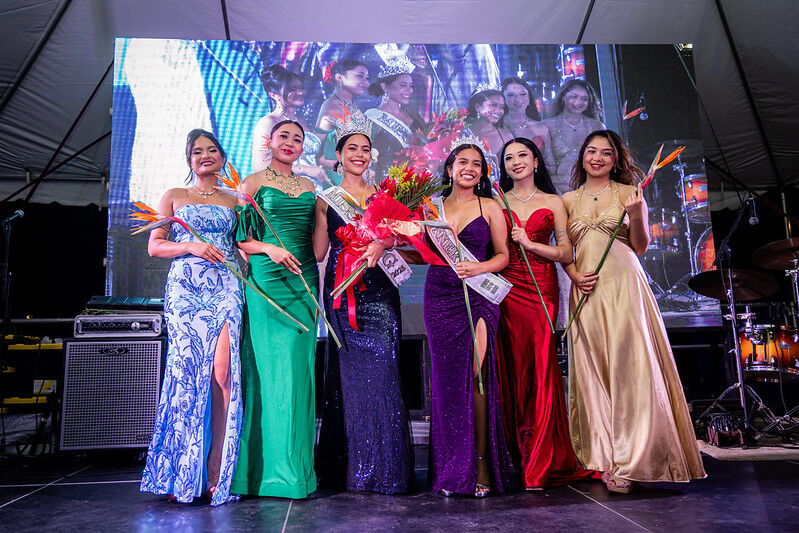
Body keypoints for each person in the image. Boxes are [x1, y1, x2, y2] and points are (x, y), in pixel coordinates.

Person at [562, 130, 706, 493]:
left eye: (606, 153)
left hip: (624, 284)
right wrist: (574, 275)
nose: (597, 158)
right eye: (591, 151)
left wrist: (638, 215)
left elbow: (639, 246)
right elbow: (565, 251)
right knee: (596, 372)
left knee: (631, 368)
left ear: (615, 160)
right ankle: (607, 456)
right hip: (586, 289)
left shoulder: (630, 194)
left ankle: (632, 460)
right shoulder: (566, 200)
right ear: (582, 156)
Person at [140, 129, 243, 506]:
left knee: (223, 371)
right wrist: (192, 246)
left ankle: (218, 466)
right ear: (189, 160)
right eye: (197, 151)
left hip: (227, 286)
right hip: (186, 289)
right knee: (186, 374)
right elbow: (155, 246)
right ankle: (182, 469)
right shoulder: (173, 196)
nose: (205, 156)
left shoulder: (235, 199)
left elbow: (242, 246)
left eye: (211, 150)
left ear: (221, 157)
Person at [494, 138, 596, 490]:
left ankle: (538, 458)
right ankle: (513, 454)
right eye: (508, 158)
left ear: (536, 161)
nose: (516, 161)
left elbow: (566, 253)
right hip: (505, 289)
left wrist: (532, 243)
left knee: (538, 368)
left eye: (522, 155)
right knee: (512, 368)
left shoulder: (553, 202)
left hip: (540, 289)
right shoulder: (496, 200)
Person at [314, 131, 413, 494]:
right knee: (352, 380)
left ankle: (388, 471)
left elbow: (407, 236)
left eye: (365, 150)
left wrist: (383, 240)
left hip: (380, 290)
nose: (359, 154)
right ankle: (358, 470)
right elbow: (319, 252)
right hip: (343, 291)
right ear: (338, 155)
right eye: (351, 149)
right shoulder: (325, 200)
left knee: (385, 373)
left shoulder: (385, 196)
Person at [230, 120, 320, 499]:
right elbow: (240, 239)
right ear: (270, 141)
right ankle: (261, 474)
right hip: (266, 281)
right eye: (284, 136)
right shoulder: (250, 184)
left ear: (302, 149)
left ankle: (296, 471)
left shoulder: (310, 187)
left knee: (299, 373)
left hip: (304, 281)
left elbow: (317, 244)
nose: (290, 143)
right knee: (268, 371)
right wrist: (270, 249)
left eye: (297, 139)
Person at [423, 143, 513, 497]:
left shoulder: (489, 206)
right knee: (448, 382)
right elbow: (425, 254)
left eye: (477, 164)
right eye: (463, 162)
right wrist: (386, 242)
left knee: (476, 375)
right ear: (449, 168)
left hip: (478, 294)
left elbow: (504, 256)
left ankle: (479, 464)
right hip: (440, 297)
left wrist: (478, 267)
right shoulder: (431, 207)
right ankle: (451, 467)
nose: (470, 168)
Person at [250, 65, 325, 185]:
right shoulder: (268, 122)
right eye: (292, 89)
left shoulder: (301, 120)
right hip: (285, 191)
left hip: (312, 188)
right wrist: (305, 170)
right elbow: (259, 165)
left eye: (301, 88)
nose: (300, 92)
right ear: (273, 95)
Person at [542, 79, 605, 195]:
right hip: (558, 193)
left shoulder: (597, 126)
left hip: (593, 192)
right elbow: (546, 168)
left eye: (584, 99)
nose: (578, 102)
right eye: (573, 97)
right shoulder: (547, 126)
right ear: (563, 97)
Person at [365, 59, 425, 181]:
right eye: (403, 85)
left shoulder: (414, 116)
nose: (409, 90)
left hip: (414, 183)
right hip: (384, 185)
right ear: (384, 87)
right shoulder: (372, 117)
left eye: (411, 86)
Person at [316, 60, 371, 185]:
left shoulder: (352, 105)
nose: (366, 83)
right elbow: (316, 153)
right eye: (359, 76)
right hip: (338, 181)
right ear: (339, 77)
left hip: (357, 179)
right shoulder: (332, 107)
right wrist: (348, 168)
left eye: (367, 78)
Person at [500, 78, 554, 168]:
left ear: (529, 98)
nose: (518, 99)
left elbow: (550, 159)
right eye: (511, 95)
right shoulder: (499, 125)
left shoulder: (541, 127)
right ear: (503, 99)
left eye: (522, 94)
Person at [465, 89, 513, 181]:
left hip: (498, 192)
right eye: (493, 105)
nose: (499, 111)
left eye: (502, 107)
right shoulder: (461, 132)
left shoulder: (506, 136)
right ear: (478, 107)